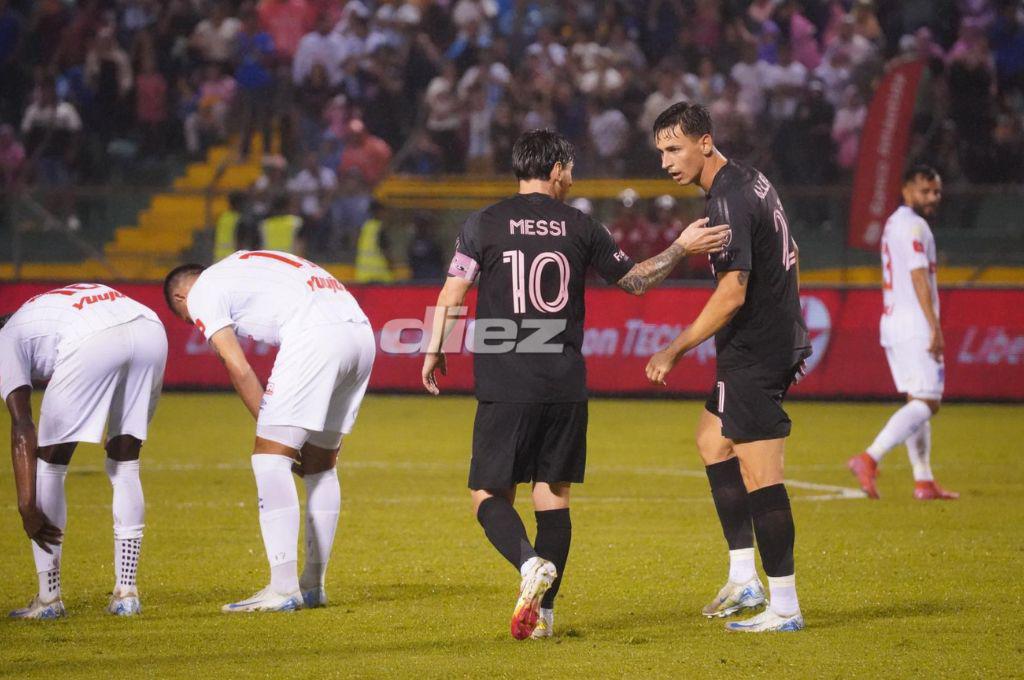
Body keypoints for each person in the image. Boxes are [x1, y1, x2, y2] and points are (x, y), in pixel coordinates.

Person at [420, 129, 730, 640]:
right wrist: (679, 247)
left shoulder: (484, 223)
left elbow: (454, 291)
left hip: (507, 378)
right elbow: (634, 281)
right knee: (553, 494)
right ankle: (544, 617)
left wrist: (435, 348)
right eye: (571, 168)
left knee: (486, 493)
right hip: (563, 380)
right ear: (558, 168)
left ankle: (527, 564)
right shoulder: (581, 226)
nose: (573, 176)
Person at [644, 102, 811, 633]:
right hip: (765, 342)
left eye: (675, 148)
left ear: (705, 142)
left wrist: (674, 348)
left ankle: (785, 606)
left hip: (756, 351)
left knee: (763, 477)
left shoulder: (728, 199)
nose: (667, 161)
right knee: (713, 442)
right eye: (661, 151)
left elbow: (732, 293)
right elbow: (794, 250)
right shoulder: (751, 180)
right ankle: (744, 579)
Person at [163, 251, 374, 613]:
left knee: (269, 459)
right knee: (320, 465)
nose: (196, 323)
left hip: (315, 336)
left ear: (182, 298)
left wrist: (271, 432)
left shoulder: (201, 291)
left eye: (188, 318)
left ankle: (282, 589)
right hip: (361, 334)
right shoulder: (248, 265)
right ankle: (312, 585)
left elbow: (237, 364)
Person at [1, 284, 167, 619]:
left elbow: (22, 424)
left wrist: (26, 505)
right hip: (149, 327)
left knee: (50, 463)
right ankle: (127, 595)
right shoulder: (36, 313)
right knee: (125, 463)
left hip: (93, 339)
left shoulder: (5, 339)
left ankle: (49, 600)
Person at [848, 165, 958, 501]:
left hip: (894, 321)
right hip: (915, 324)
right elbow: (918, 276)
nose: (932, 198)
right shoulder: (914, 226)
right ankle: (869, 458)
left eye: (936, 191)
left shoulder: (894, 221)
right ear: (906, 189)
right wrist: (935, 327)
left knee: (917, 399)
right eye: (925, 191)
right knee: (929, 402)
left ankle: (923, 481)